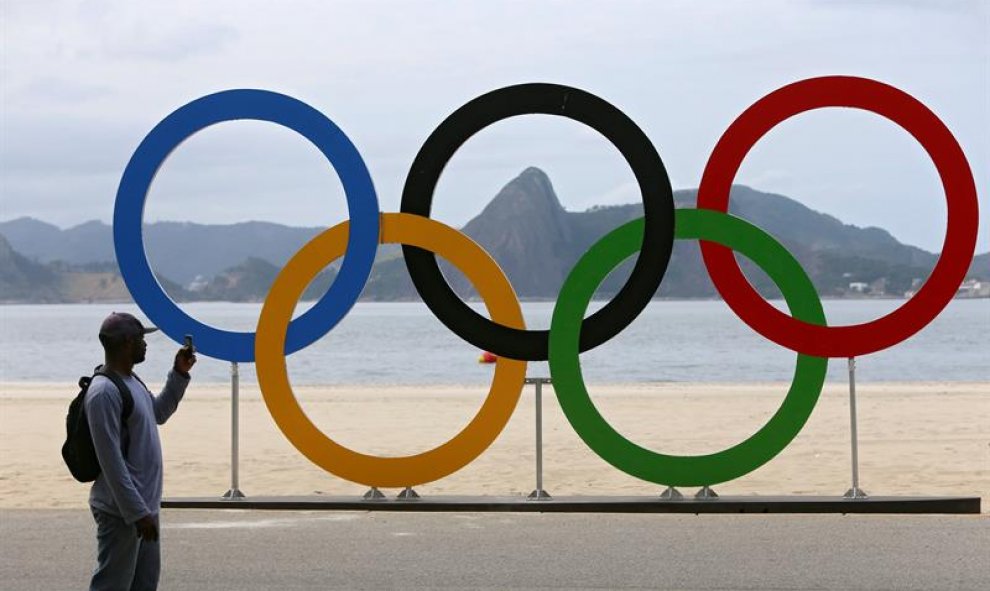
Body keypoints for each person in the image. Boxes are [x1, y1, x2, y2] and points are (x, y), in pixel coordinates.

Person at [86, 312, 195, 591]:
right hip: (122, 512)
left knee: (144, 584)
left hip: (143, 508)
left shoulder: (131, 381)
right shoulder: (103, 392)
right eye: (141, 339)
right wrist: (136, 513)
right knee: (112, 585)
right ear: (125, 342)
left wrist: (179, 374)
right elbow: (111, 463)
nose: (145, 344)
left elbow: (157, 413)